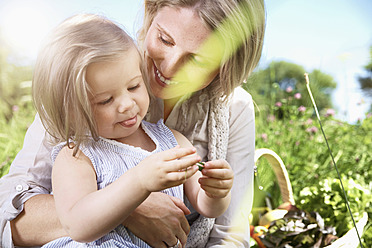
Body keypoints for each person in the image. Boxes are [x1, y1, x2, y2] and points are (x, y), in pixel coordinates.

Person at [0, 0, 265, 247]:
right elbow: (10, 214)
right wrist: (130, 208)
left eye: (198, 59)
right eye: (164, 39)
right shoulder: (87, 74)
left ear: (226, 66)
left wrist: (217, 192)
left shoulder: (226, 112)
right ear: (151, 11)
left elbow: (228, 233)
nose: (170, 69)